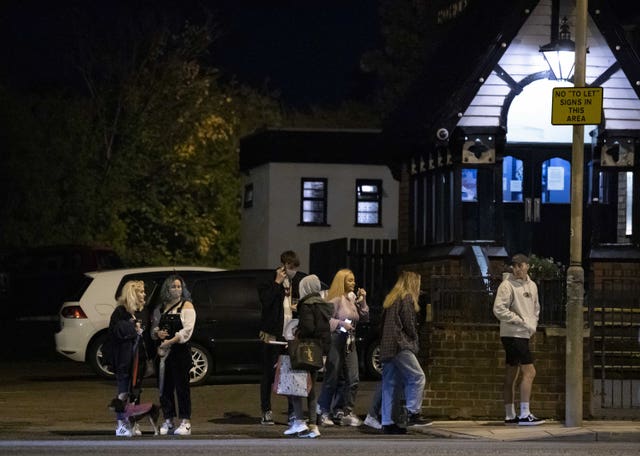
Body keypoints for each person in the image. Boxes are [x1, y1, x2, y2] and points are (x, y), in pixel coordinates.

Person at [493, 254, 545, 426]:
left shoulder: (533, 286)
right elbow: (498, 309)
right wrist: (519, 320)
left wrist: (532, 325)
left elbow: (536, 308)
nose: (516, 269)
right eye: (514, 266)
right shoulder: (506, 285)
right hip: (513, 334)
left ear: (527, 266)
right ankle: (524, 414)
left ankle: (509, 415)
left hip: (522, 334)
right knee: (530, 372)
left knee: (511, 373)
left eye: (520, 265)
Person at [257, 250, 306, 425]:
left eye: (295, 267)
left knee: (291, 372)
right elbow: (266, 302)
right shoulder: (269, 280)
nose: (293, 270)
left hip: (290, 333)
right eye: (290, 267)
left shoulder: (298, 281)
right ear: (283, 265)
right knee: (269, 373)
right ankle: (266, 410)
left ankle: (293, 412)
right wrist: (277, 283)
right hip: (272, 333)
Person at [379, 271, 431, 435]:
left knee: (389, 384)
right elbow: (408, 324)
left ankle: (387, 422)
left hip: (387, 345)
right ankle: (413, 412)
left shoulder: (392, 298)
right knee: (418, 376)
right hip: (400, 344)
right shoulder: (407, 297)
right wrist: (415, 341)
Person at [317, 268, 368, 427]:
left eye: (353, 280)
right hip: (337, 338)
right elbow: (326, 320)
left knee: (353, 378)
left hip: (349, 341)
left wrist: (363, 301)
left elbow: (365, 317)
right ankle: (323, 411)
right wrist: (341, 324)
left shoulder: (352, 299)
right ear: (342, 282)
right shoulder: (336, 299)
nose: (353, 283)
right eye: (350, 280)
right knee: (333, 376)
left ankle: (344, 410)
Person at [284, 274, 333, 438]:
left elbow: (308, 328)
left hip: (304, 351)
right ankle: (313, 425)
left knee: (296, 386)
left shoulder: (306, 305)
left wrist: (297, 332)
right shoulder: (323, 305)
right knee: (311, 389)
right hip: (318, 352)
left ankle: (299, 422)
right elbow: (325, 331)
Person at [151, 274, 196, 435]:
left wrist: (170, 341)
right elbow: (153, 329)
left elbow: (187, 331)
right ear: (167, 289)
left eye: (179, 286)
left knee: (182, 387)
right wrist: (158, 334)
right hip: (163, 354)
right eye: (173, 286)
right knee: (164, 387)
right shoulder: (160, 308)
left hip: (179, 352)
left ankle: (186, 421)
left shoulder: (187, 306)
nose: (177, 289)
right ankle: (168, 419)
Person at [108, 280, 146, 437]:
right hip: (124, 359)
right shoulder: (120, 312)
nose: (144, 295)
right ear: (132, 293)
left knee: (135, 391)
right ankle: (121, 424)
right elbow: (116, 332)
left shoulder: (138, 312)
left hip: (137, 360)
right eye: (141, 292)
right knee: (123, 391)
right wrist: (133, 328)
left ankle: (133, 422)